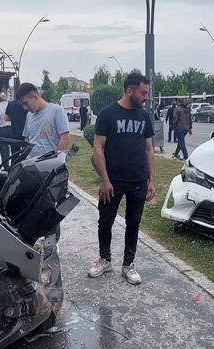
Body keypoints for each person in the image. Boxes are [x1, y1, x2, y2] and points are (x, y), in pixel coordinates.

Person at [88, 73, 156, 285]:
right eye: (143, 93)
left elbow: (149, 149)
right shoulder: (108, 114)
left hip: (137, 180)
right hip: (112, 181)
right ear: (130, 91)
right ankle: (105, 260)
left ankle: (128, 264)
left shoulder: (144, 116)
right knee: (105, 221)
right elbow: (98, 147)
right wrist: (104, 180)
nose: (146, 97)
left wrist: (151, 180)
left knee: (133, 223)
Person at [17, 82, 70, 157]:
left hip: (49, 164)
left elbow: (65, 138)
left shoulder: (56, 110)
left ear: (35, 96)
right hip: (31, 163)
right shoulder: (29, 115)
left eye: (26, 103)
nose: (24, 108)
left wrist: (56, 159)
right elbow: (27, 139)